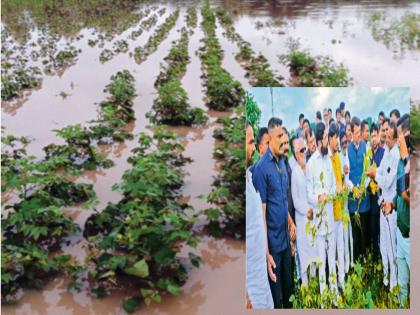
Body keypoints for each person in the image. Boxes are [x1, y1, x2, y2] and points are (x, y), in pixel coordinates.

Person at [252, 117, 295, 308]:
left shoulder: (283, 163)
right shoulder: (261, 169)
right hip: (273, 247)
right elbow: (261, 213)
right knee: (276, 300)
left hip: (286, 241)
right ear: (269, 138)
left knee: (290, 292)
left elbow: (282, 201)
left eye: (284, 137)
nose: (283, 141)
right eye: (279, 137)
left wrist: (290, 222)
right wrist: (266, 252)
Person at [366, 121, 399, 290]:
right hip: (382, 205)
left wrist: (375, 176)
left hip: (391, 209)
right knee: (383, 245)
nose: (384, 134)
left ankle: (393, 285)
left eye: (387, 131)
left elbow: (386, 181)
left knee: (392, 248)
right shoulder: (387, 151)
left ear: (394, 137)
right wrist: (374, 173)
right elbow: (379, 171)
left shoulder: (396, 155)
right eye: (383, 130)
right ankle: (386, 280)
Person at [306, 122, 337, 297]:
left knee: (332, 261)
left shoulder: (329, 160)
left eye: (327, 137)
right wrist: (319, 198)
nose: (327, 140)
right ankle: (324, 298)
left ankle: (334, 295)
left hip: (330, 219)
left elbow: (332, 185)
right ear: (318, 142)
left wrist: (330, 194)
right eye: (325, 137)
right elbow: (308, 193)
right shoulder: (311, 164)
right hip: (318, 221)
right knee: (321, 262)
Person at [246, 121, 274, 309]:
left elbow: (257, 222)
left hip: (261, 275)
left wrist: (266, 254)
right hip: (250, 289)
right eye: (249, 143)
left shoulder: (248, 177)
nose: (253, 148)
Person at [291, 138, 316, 286]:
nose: (304, 153)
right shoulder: (295, 173)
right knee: (304, 254)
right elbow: (296, 200)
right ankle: (305, 288)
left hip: (312, 218)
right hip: (302, 220)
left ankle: (313, 286)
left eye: (305, 149)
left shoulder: (309, 168)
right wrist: (306, 210)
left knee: (313, 253)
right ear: (295, 154)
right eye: (301, 151)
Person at [347, 117, 370, 262]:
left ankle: (366, 261)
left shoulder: (365, 147)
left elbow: (368, 170)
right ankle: (356, 263)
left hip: (364, 198)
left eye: (358, 133)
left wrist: (363, 186)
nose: (357, 136)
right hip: (353, 199)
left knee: (365, 232)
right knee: (355, 234)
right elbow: (345, 176)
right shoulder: (347, 151)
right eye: (354, 133)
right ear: (351, 133)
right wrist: (353, 188)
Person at [394, 114, 410, 305]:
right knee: (402, 285)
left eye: (400, 136)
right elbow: (400, 194)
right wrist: (391, 202)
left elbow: (409, 195)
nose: (398, 141)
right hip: (400, 232)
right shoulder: (400, 161)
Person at [328, 123, 345, 289]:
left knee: (341, 249)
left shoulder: (337, 157)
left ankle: (341, 282)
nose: (338, 141)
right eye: (337, 138)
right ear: (331, 138)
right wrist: (336, 189)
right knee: (331, 253)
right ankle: (333, 288)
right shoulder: (326, 159)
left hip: (340, 211)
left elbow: (340, 180)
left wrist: (344, 186)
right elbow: (328, 187)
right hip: (330, 215)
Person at [368, 123, 385, 261]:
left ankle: (382, 258)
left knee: (382, 232)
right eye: (371, 136)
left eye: (375, 135)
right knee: (373, 231)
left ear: (379, 136)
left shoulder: (384, 154)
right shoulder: (368, 154)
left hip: (382, 198)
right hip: (371, 199)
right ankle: (375, 258)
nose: (374, 138)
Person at [338, 131, 353, 273]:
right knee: (341, 238)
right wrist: (342, 174)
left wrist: (353, 188)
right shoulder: (337, 157)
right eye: (342, 143)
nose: (344, 145)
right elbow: (339, 180)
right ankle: (342, 267)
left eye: (345, 142)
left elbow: (347, 181)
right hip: (339, 205)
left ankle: (349, 265)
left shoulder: (346, 155)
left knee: (348, 236)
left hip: (346, 202)